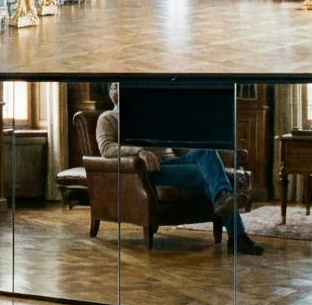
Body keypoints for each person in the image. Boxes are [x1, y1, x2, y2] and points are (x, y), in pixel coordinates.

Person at [95, 83, 264, 255]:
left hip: (172, 162)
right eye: (115, 87)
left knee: (207, 151)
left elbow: (177, 145)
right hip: (146, 170)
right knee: (211, 177)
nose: (119, 90)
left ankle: (225, 203)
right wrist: (138, 151)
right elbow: (107, 149)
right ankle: (238, 236)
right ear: (110, 94)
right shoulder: (107, 118)